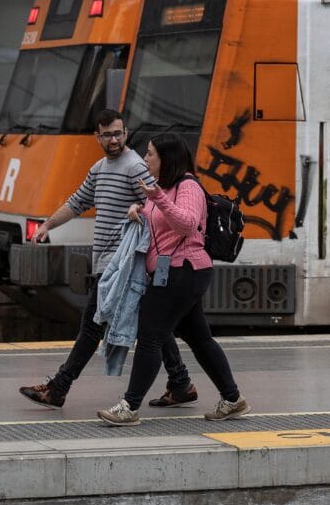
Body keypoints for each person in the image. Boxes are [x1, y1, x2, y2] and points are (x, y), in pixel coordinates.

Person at [18, 110, 197, 409]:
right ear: (97, 137)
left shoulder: (135, 167)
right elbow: (77, 202)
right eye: (107, 135)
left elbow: (157, 203)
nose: (113, 140)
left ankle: (58, 388)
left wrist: (138, 211)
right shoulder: (99, 169)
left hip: (122, 264)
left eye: (118, 134)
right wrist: (48, 225)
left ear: (125, 133)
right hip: (108, 261)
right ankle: (180, 383)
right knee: (152, 327)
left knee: (92, 325)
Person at [97, 133, 249, 426]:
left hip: (183, 271)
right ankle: (232, 399)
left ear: (166, 158)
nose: (145, 159)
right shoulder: (163, 187)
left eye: (150, 153)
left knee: (150, 337)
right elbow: (161, 219)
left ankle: (129, 406)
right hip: (176, 273)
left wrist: (157, 199)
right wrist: (139, 209)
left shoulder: (187, 186)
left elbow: (187, 224)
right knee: (199, 338)